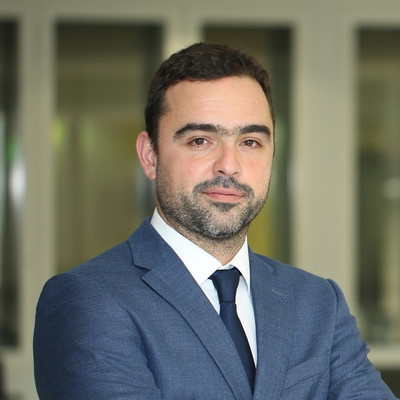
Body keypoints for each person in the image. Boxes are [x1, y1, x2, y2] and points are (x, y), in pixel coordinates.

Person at [33, 42, 397, 400]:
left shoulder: (317, 302)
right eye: (200, 140)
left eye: (250, 142)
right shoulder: (89, 300)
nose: (229, 165)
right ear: (150, 155)